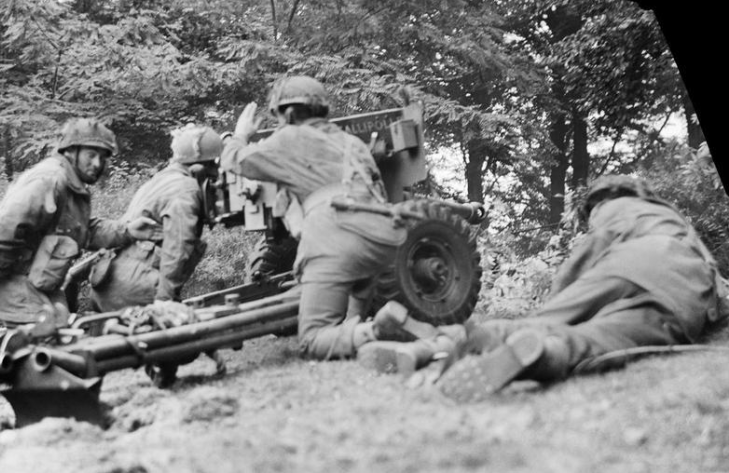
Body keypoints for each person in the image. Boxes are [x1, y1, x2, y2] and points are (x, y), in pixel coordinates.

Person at [360, 175, 727, 402]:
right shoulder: (675, 223)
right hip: (679, 297)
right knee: (605, 341)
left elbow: (583, 260)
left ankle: (437, 347)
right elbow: (719, 295)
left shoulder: (617, 208)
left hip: (631, 263)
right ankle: (544, 355)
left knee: (545, 320)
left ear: (602, 201)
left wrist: (555, 306)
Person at [220, 75, 443, 360]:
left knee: (313, 340)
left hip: (334, 232)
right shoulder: (351, 142)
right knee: (349, 321)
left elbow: (235, 160)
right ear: (322, 109)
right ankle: (381, 332)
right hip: (381, 236)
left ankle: (379, 331)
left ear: (284, 112)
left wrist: (239, 134)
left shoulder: (288, 137)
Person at [0, 118, 162, 328]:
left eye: (102, 157)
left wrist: (128, 231)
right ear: (70, 151)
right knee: (47, 346)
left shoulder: (72, 187)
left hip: (40, 282)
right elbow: (2, 232)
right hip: (10, 280)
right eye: (91, 155)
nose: (97, 164)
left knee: (66, 335)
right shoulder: (49, 180)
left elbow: (84, 231)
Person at [89, 124, 222, 311]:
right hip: (136, 289)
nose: (216, 175)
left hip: (109, 283)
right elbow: (178, 245)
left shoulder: (161, 180)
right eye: (212, 169)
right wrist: (165, 300)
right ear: (199, 168)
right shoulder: (185, 189)